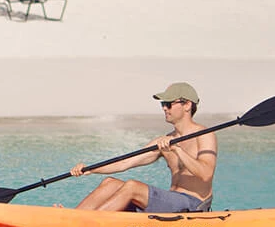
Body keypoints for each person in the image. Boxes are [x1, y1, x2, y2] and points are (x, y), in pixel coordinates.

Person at [70, 82, 215, 213]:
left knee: (132, 186)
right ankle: (71, 217)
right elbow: (125, 162)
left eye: (169, 104)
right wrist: (91, 169)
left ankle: (87, 222)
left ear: (187, 105)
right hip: (172, 201)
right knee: (109, 183)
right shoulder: (164, 141)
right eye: (163, 104)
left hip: (193, 204)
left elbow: (206, 174)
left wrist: (178, 150)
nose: (164, 108)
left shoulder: (204, 135)